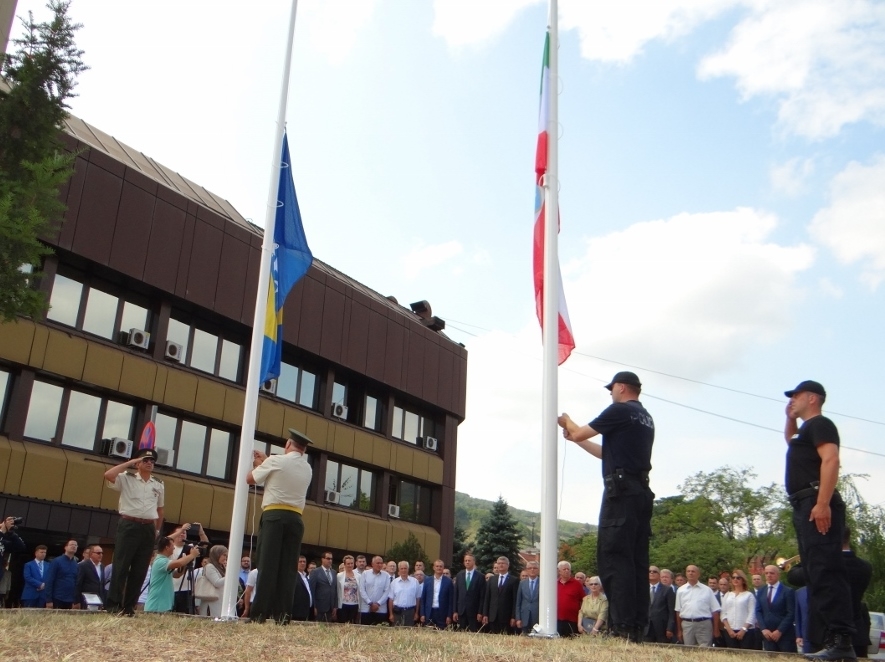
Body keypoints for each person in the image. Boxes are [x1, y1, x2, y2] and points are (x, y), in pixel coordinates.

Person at [558, 370, 655, 642]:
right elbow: (605, 452)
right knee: (636, 561)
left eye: (612, 389)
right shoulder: (645, 418)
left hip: (620, 493)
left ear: (621, 388)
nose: (611, 394)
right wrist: (577, 438)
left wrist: (567, 422)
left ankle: (621, 626)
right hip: (640, 492)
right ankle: (634, 626)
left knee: (615, 559)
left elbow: (578, 432)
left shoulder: (619, 412)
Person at [784, 380, 856, 660]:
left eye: (796, 396)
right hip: (804, 503)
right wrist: (788, 418)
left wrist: (823, 502)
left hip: (816, 500)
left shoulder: (820, 424)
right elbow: (791, 442)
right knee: (815, 572)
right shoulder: (805, 431)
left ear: (812, 398)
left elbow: (831, 460)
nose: (792, 400)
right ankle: (830, 639)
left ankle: (842, 641)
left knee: (827, 570)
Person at [246, 427, 313, 623]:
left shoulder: (276, 461)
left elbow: (250, 479)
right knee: (288, 569)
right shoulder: (307, 468)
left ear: (287, 444)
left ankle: (259, 614)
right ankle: (282, 615)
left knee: (267, 565)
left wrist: (260, 464)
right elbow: (285, 471)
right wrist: (267, 461)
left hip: (274, 515)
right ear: (304, 450)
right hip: (296, 518)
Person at [104, 446, 164, 616]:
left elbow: (160, 509)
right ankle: (113, 605)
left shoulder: (158, 484)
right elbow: (108, 475)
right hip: (129, 524)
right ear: (138, 463)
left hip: (148, 528)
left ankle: (129, 607)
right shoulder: (126, 478)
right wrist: (129, 462)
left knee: (140, 569)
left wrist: (157, 530)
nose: (149, 463)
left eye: (152, 461)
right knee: (121, 565)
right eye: (145, 460)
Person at [144, 537, 200, 613]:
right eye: (172, 546)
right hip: (157, 604)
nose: (174, 548)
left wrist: (185, 565)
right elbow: (178, 563)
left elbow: (177, 575)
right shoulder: (160, 561)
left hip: (163, 604)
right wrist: (192, 555)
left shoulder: (164, 561)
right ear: (167, 547)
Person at [675, 565, 721, 647]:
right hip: (687, 624)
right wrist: (679, 630)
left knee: (705, 650)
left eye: (693, 571)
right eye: (688, 571)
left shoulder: (707, 590)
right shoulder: (680, 590)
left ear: (698, 574)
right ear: (686, 574)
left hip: (703, 624)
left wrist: (716, 629)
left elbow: (715, 611)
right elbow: (678, 611)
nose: (690, 573)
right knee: (689, 651)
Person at [756, 564, 796, 652]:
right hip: (768, 635)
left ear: (778, 575)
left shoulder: (788, 591)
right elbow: (758, 611)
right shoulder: (761, 591)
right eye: (766, 573)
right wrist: (763, 629)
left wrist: (779, 630)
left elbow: (791, 613)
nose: (769, 575)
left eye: (772, 573)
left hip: (785, 635)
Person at [720, 569, 757, 650]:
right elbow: (723, 614)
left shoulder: (749, 595)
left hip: (746, 631)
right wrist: (729, 630)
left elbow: (752, 614)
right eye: (733, 578)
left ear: (743, 580)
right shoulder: (728, 595)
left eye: (738, 578)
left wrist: (743, 630)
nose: (735, 579)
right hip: (730, 631)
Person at [482, 556, 518, 634]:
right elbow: (487, 598)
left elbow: (515, 600)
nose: (501, 565)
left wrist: (513, 617)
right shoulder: (492, 579)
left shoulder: (514, 580)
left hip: (506, 617)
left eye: (503, 563)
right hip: (492, 616)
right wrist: (485, 614)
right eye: (499, 563)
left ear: (508, 565)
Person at [453, 553, 485, 632]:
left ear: (474, 562)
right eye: (465, 561)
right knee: (461, 633)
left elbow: (482, 596)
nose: (467, 562)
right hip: (461, 611)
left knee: (473, 633)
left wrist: (480, 612)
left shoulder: (480, 576)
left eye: (469, 561)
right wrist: (455, 611)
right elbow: (456, 594)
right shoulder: (459, 575)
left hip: (474, 612)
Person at [45, 539, 80, 609]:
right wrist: (48, 600)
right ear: (65, 547)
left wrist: (76, 600)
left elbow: (77, 583)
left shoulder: (76, 564)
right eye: (71, 545)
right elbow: (49, 580)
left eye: (75, 545)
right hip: (57, 598)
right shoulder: (56, 561)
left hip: (70, 599)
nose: (74, 546)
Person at [420, 559, 453, 629]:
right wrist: (422, 614)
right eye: (437, 566)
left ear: (443, 568)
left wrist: (449, 615)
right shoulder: (427, 580)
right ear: (434, 567)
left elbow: (451, 601)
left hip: (442, 613)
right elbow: (423, 599)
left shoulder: (448, 582)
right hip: (429, 612)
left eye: (441, 566)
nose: (439, 568)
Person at [556, 561, 585, 637]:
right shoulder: (555, 584)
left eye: (568, 569)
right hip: (557, 619)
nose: (567, 571)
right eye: (564, 569)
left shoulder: (576, 584)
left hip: (572, 620)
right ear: (559, 571)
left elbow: (584, 600)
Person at [647, 566, 675, 643]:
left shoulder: (667, 590)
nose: (652, 573)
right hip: (646, 628)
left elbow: (671, 612)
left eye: (654, 571)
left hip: (662, 628)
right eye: (649, 571)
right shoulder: (642, 589)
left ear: (659, 575)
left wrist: (670, 628)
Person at [359, 556, 391, 625]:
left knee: (379, 631)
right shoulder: (365, 574)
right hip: (366, 608)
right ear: (372, 564)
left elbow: (387, 592)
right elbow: (362, 590)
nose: (380, 565)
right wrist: (370, 603)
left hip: (381, 609)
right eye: (378, 563)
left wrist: (378, 604)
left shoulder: (386, 576)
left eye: (381, 563)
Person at [197, 545, 227, 617]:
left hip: (219, 602)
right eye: (224, 555)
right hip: (211, 603)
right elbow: (217, 582)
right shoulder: (210, 566)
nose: (225, 558)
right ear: (217, 554)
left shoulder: (221, 567)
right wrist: (229, 575)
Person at [388, 561, 420, 626]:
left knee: (409, 632)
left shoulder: (415, 582)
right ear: (399, 570)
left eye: (405, 568)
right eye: (401, 568)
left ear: (408, 569)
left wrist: (416, 613)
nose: (403, 570)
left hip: (410, 612)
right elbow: (391, 599)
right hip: (397, 612)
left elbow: (418, 599)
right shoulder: (394, 582)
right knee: (396, 632)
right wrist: (391, 614)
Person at [309, 550, 338, 622]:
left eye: (331, 559)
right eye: (328, 558)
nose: (330, 560)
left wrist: (335, 606)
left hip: (331, 607)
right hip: (319, 607)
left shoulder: (334, 572)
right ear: (322, 559)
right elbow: (312, 590)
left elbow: (335, 589)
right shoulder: (315, 572)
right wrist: (314, 606)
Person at [76, 544, 106, 609]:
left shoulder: (102, 566)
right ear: (91, 554)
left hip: (98, 599)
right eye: (98, 553)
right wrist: (76, 601)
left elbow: (102, 584)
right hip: (86, 598)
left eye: (102, 553)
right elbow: (78, 583)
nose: (101, 555)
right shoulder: (83, 565)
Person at [515, 561, 540, 634]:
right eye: (530, 568)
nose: (532, 570)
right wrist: (518, 618)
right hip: (524, 617)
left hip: (538, 618)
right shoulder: (522, 583)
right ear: (527, 570)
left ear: (538, 570)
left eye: (535, 568)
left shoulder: (543, 583)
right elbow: (518, 602)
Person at [336, 555, 360, 624]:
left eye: (351, 563)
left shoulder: (358, 576)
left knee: (352, 624)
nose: (350, 565)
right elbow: (338, 590)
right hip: (343, 604)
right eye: (348, 564)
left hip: (355, 604)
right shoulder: (339, 576)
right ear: (344, 564)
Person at [292, 555, 312, 622]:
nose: (302, 563)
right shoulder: (293, 576)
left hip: (306, 611)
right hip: (296, 611)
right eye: (300, 562)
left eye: (304, 562)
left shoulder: (306, 577)